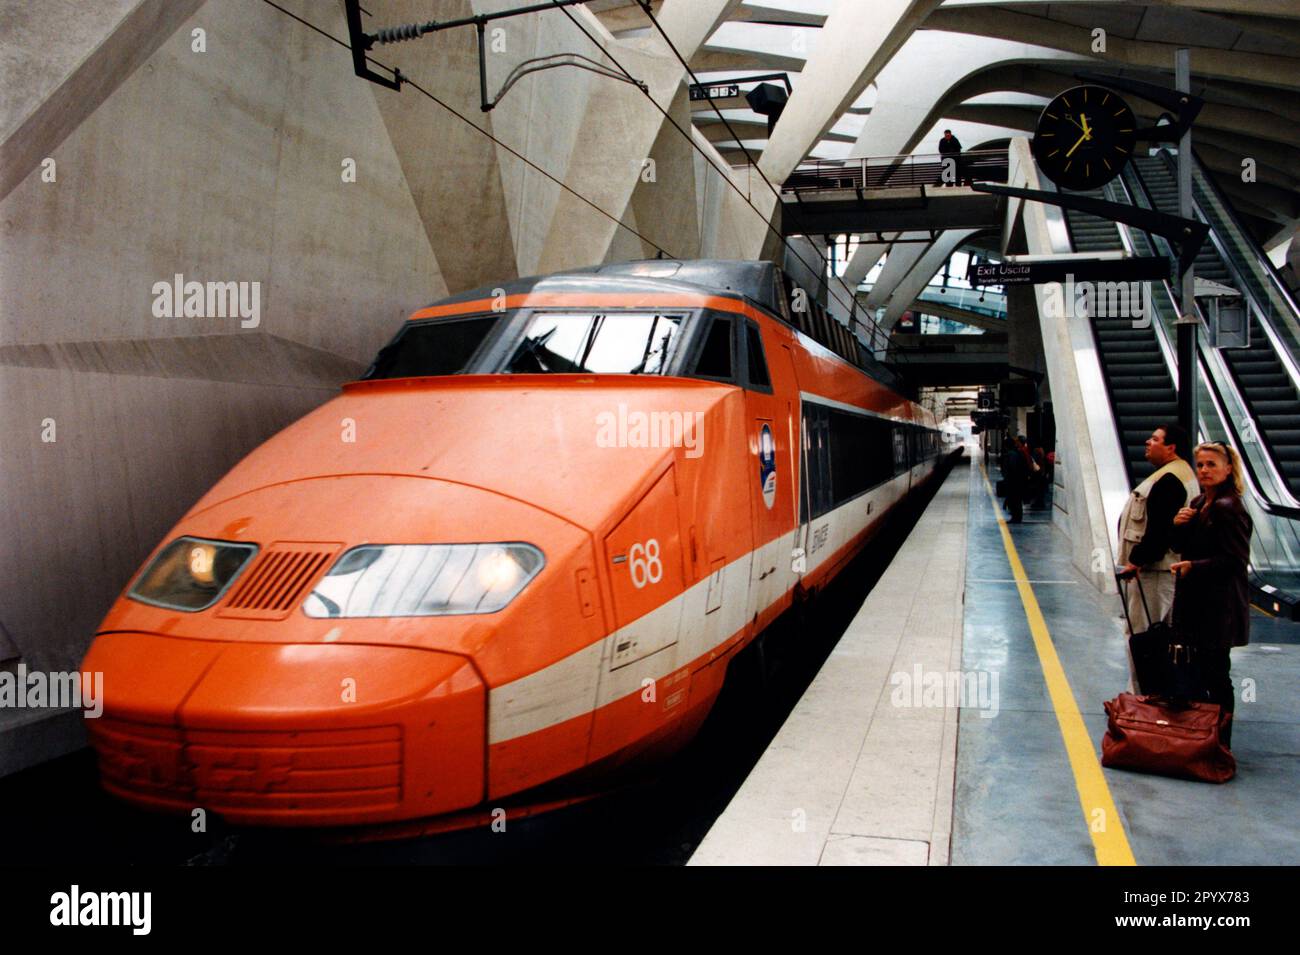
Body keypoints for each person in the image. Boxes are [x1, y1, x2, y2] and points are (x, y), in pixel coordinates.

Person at [1169, 441, 1253, 747]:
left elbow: (1235, 561)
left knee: (1217, 676)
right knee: (1204, 673)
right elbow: (1181, 546)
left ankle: (1220, 744)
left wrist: (1195, 566)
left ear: (1228, 469)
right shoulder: (1199, 502)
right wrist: (1178, 527)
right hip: (1200, 605)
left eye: (1211, 464)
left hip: (1219, 608)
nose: (1204, 470)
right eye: (1200, 464)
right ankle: (1206, 739)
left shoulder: (1228, 507)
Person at [1116, 423, 1198, 692]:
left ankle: (1144, 699)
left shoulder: (1169, 480)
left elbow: (1160, 529)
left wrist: (1136, 561)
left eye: (1155, 439)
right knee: (1153, 634)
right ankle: (1150, 694)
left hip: (1156, 571)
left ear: (1171, 447)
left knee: (1145, 635)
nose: (1147, 443)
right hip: (1160, 569)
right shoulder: (1176, 474)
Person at [1001, 434, 1028, 523]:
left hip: (1013, 482)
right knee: (1016, 500)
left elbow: (1012, 468)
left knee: (1014, 500)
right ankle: (1017, 517)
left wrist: (1008, 479)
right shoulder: (1017, 453)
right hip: (1017, 481)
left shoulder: (1012, 454)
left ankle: (1016, 518)